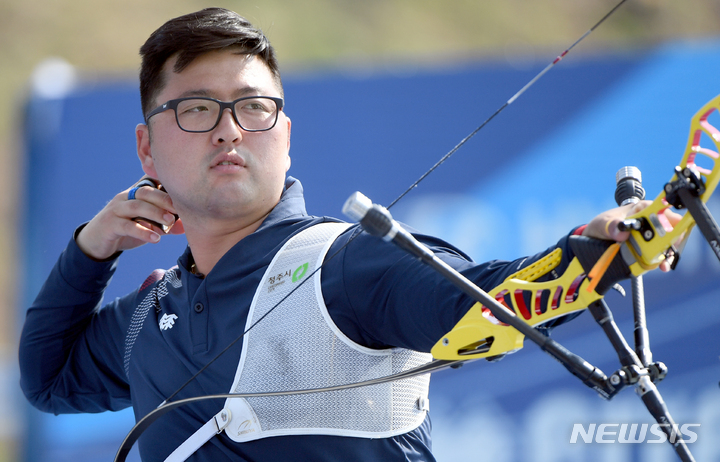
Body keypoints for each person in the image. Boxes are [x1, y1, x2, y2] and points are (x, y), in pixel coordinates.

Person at [18, 7, 678, 462]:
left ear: (285, 134)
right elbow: (46, 380)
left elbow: (490, 305)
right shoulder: (148, 318)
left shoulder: (345, 265)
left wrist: (601, 247)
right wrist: (89, 251)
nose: (229, 129)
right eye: (196, 109)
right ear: (146, 150)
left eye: (253, 106)